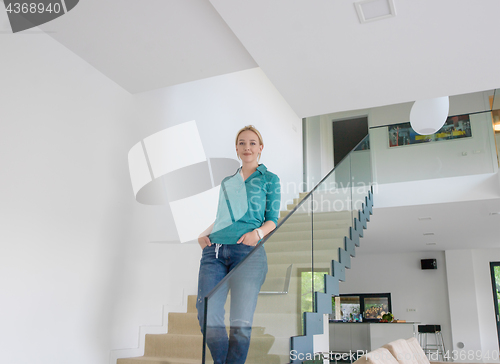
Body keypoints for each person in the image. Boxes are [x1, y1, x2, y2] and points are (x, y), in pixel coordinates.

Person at [196, 125, 281, 364]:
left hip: (248, 253)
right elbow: (222, 217)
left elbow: (273, 220)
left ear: (260, 148)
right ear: (236, 148)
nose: (247, 147)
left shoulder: (270, 179)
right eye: (242, 143)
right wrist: (203, 234)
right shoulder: (227, 182)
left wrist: (257, 233)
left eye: (252, 143)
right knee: (206, 312)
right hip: (215, 252)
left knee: (241, 324)